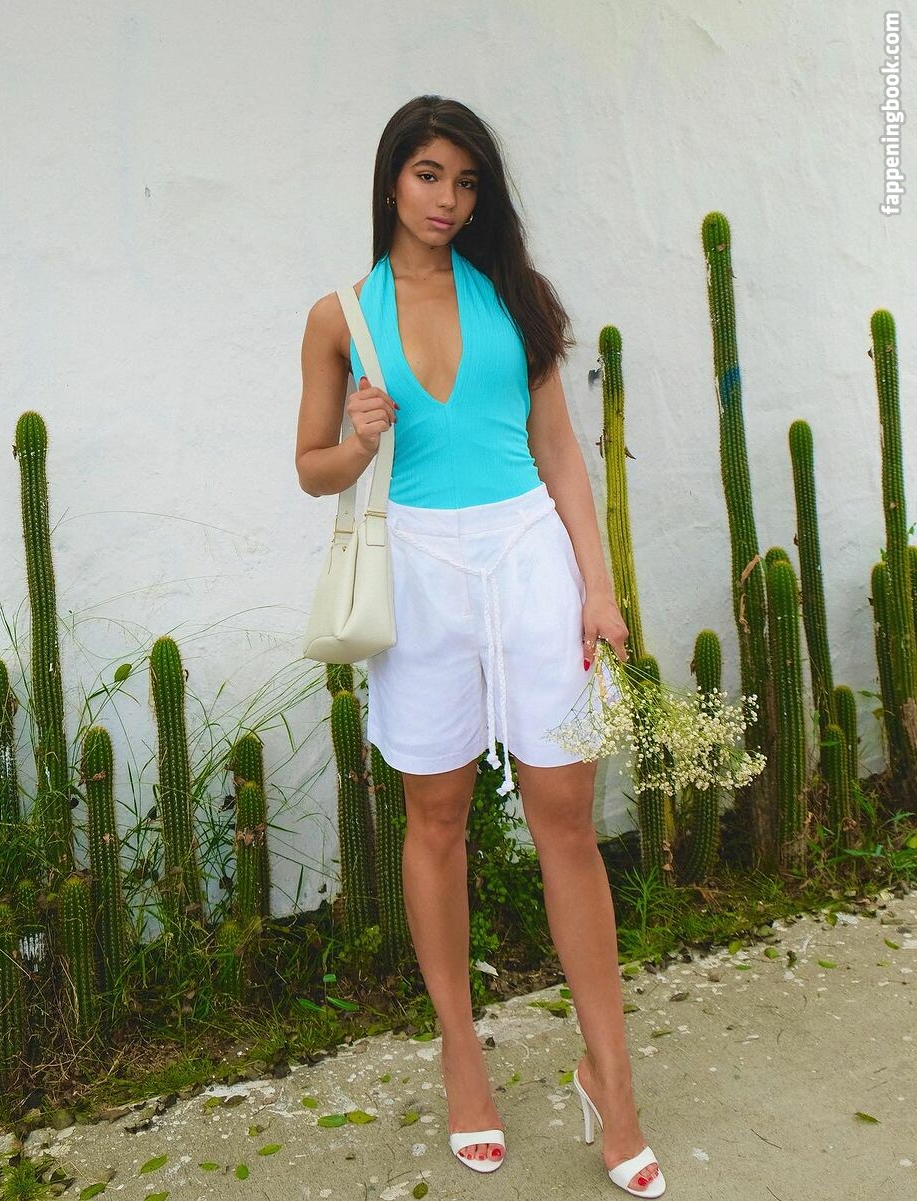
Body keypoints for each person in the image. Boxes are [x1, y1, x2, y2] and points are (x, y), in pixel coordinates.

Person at [295, 95, 664, 1197]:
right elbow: (311, 468)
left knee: (567, 820)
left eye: (465, 181)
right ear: (390, 180)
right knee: (438, 818)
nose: (448, 200)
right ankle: (463, 1054)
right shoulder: (339, 317)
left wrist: (598, 587)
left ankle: (612, 1079)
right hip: (418, 568)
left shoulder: (517, 296)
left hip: (527, 555)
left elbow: (560, 451)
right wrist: (355, 439)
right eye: (429, 175)